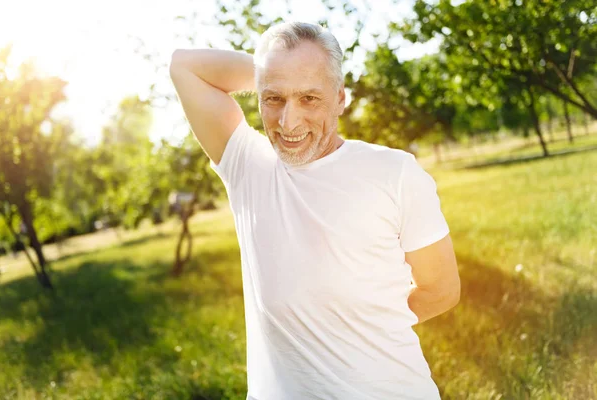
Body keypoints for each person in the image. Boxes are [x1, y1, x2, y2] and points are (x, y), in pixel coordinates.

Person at [170, 21, 460, 400]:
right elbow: (183, 66)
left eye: (309, 98)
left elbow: (441, 290)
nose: (288, 122)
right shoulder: (248, 166)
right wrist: (270, 71)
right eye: (273, 98)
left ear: (340, 98)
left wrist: (361, 324)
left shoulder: (396, 172)